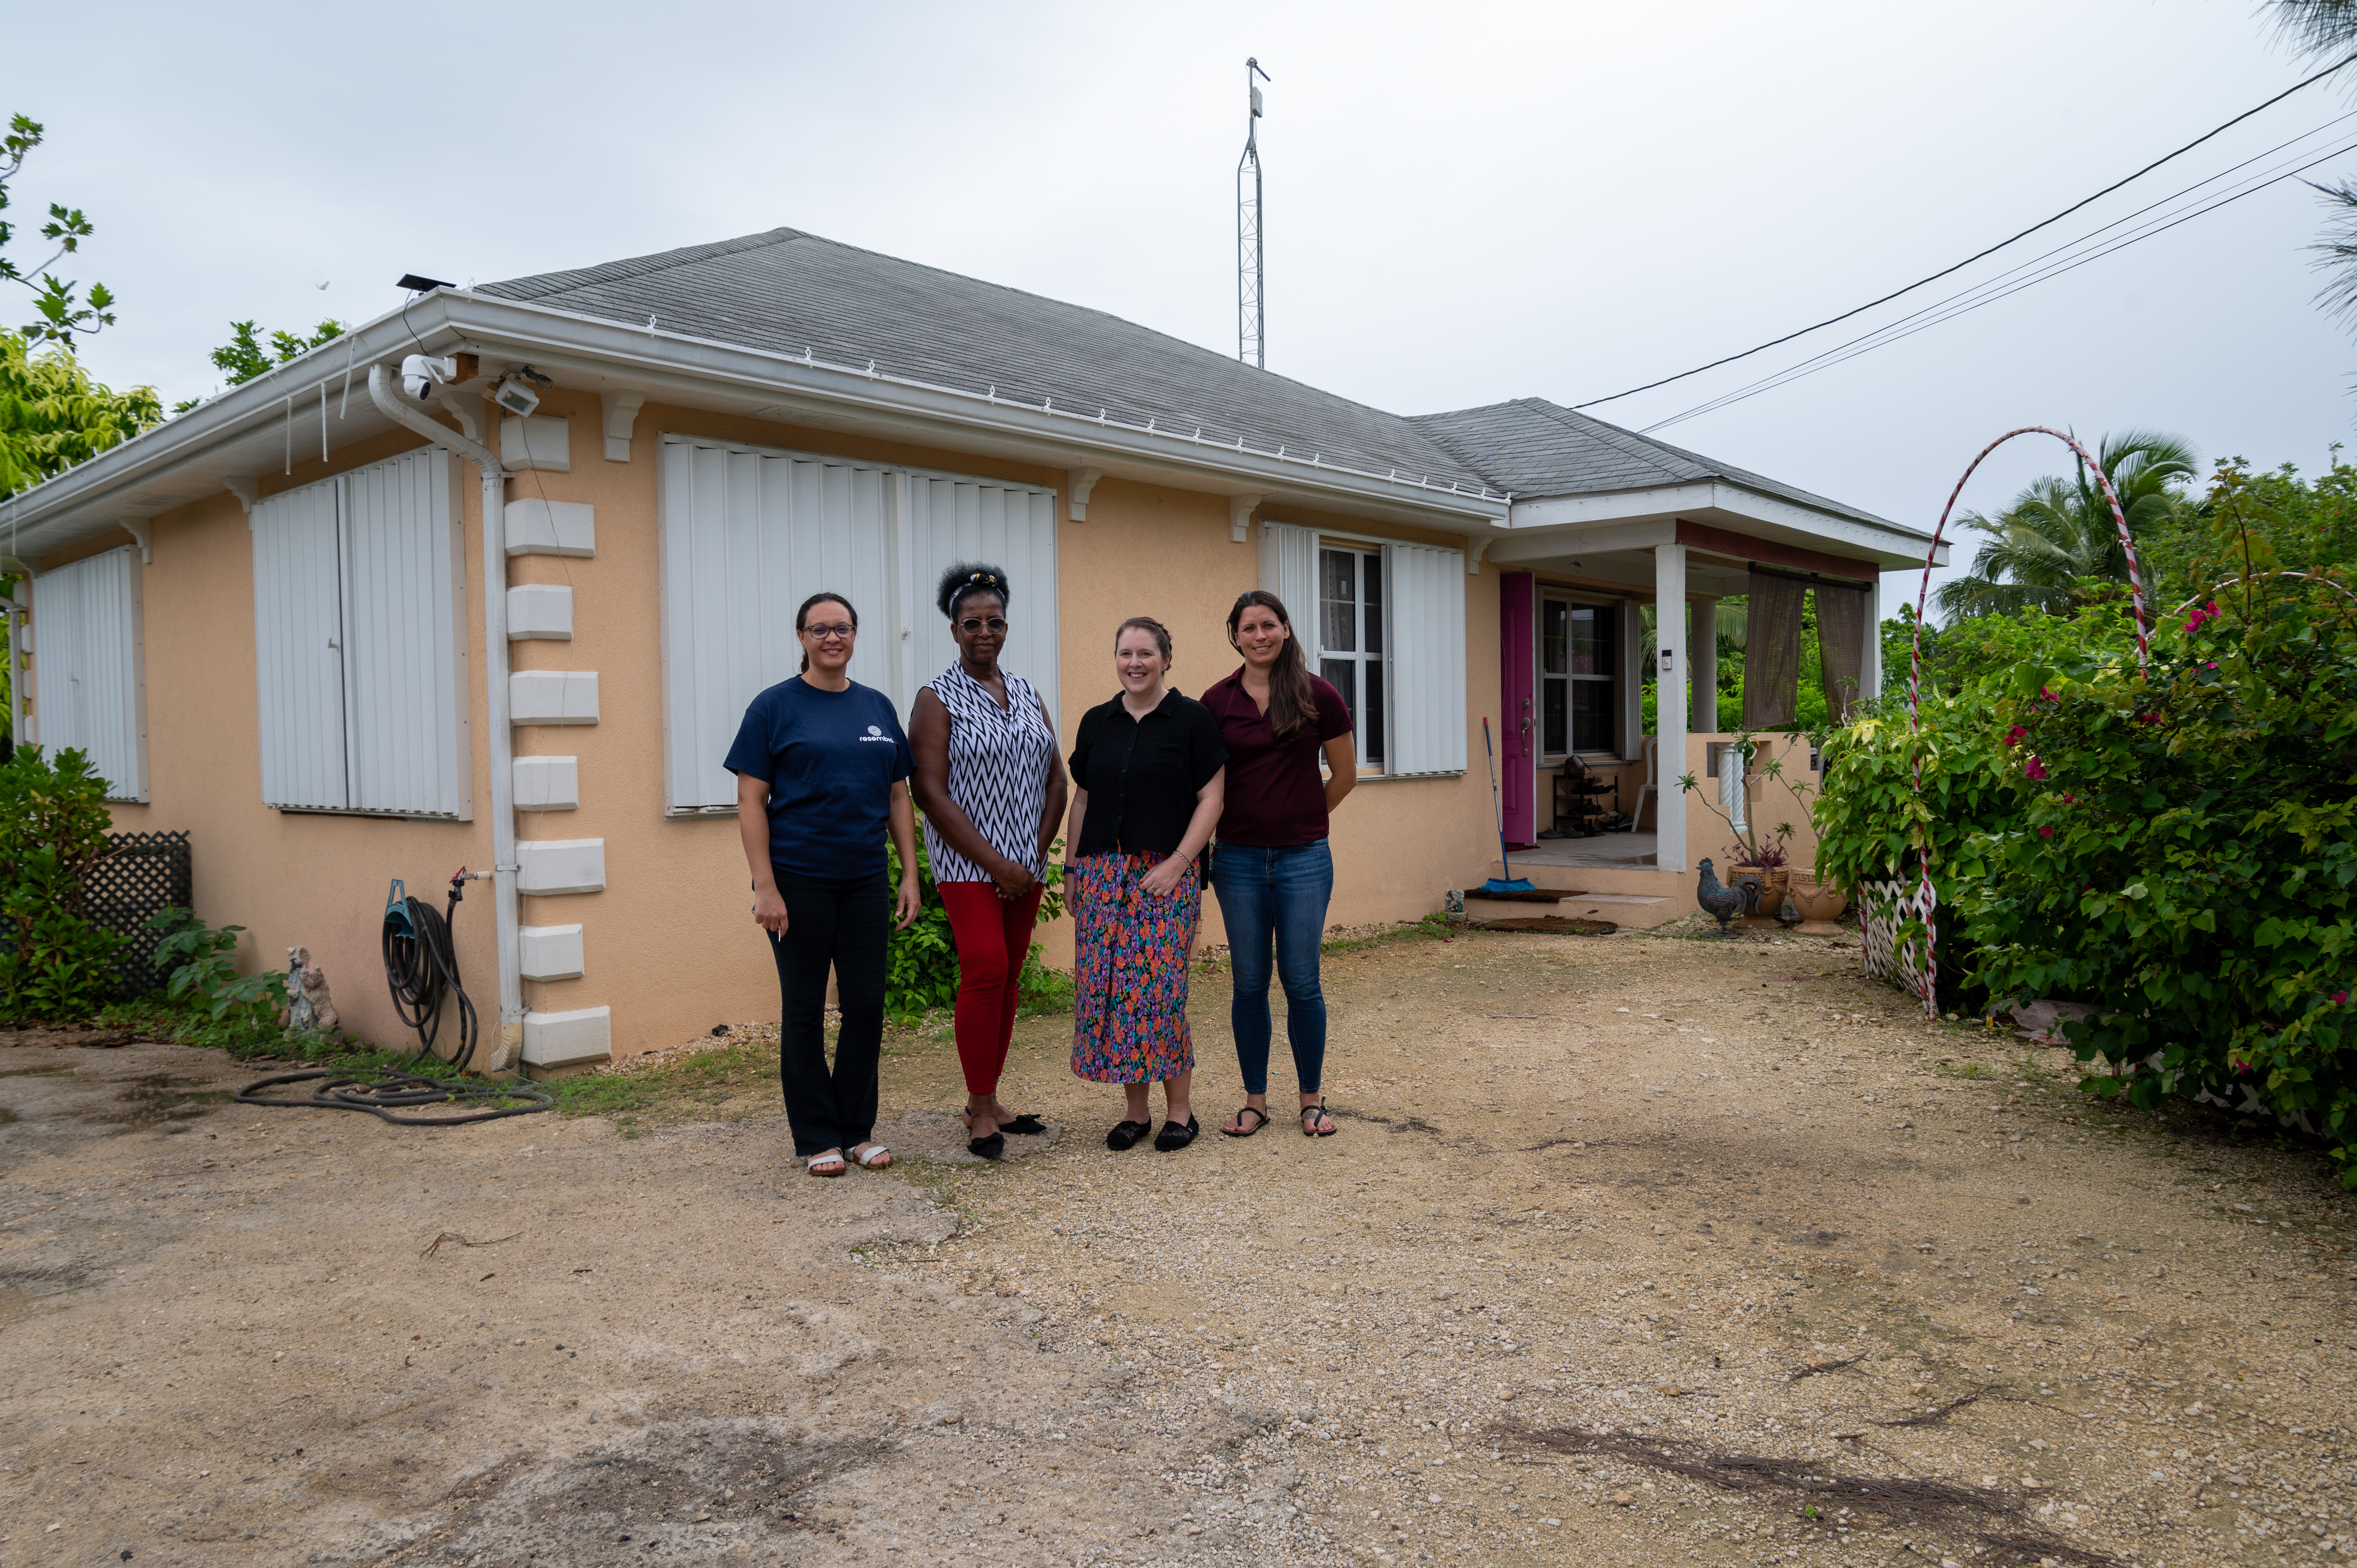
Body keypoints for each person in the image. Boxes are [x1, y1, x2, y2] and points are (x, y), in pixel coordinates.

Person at [726, 592, 921, 1178]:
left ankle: (857, 1131)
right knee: (806, 1009)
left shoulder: (876, 706)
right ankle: (817, 1137)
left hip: (864, 880)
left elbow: (897, 795)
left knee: (865, 1006)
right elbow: (750, 799)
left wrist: (909, 873)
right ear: (802, 637)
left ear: (855, 636)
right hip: (798, 882)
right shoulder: (774, 708)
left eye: (842, 628)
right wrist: (765, 886)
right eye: (820, 629)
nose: (832, 637)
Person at [909, 563, 1068, 1160]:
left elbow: (1057, 780)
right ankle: (978, 1106)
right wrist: (997, 864)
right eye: (972, 623)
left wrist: (1030, 855)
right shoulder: (936, 698)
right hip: (968, 864)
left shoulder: (1027, 692)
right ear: (953, 630)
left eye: (994, 622)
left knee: (1007, 979)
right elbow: (930, 791)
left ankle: (991, 1097)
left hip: (1024, 866)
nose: (985, 632)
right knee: (983, 969)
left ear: (1007, 626)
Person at [1064, 617, 1226, 1151]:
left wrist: (1181, 862)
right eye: (1125, 653)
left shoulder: (1193, 720)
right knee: (1114, 996)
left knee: (1159, 996)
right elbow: (1083, 799)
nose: (1134, 663)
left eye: (1145, 654)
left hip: (1164, 876)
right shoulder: (1097, 722)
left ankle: (1181, 1112)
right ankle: (1136, 1113)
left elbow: (1212, 800)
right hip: (1101, 878)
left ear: (1166, 659)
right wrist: (1071, 868)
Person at [1200, 590, 1356, 1139]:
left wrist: (1304, 818)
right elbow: (1203, 786)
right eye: (1249, 628)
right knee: (1249, 983)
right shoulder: (1216, 702)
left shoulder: (1319, 695)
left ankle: (1311, 1101)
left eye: (1269, 625)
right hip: (1237, 861)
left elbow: (1344, 776)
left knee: (1302, 982)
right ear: (1236, 636)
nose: (1260, 635)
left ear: (1286, 630)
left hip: (1304, 861)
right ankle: (1255, 1101)